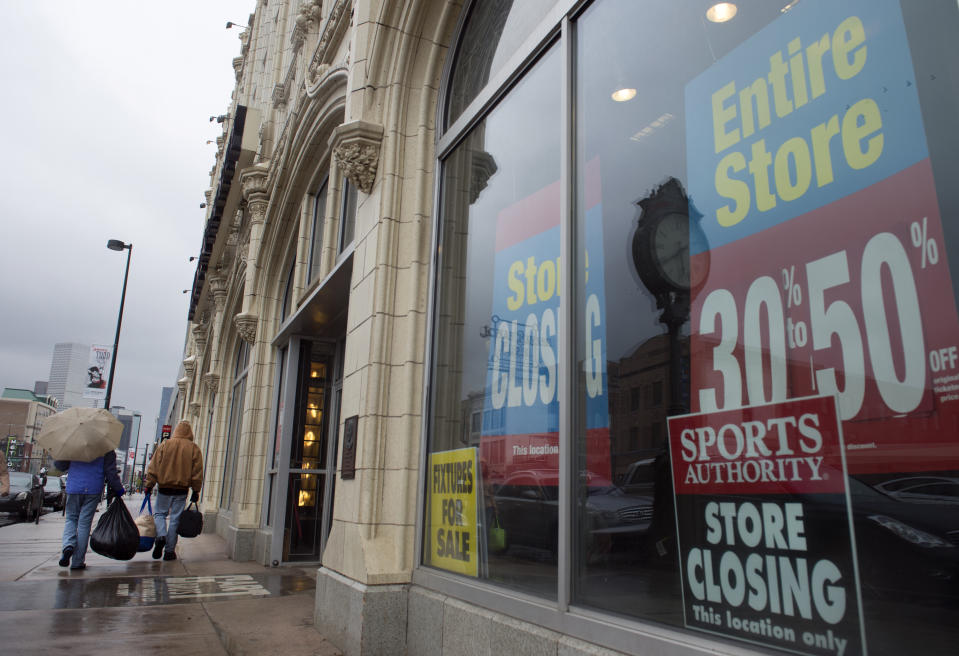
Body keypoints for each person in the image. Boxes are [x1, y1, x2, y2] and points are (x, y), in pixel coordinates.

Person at [53, 450, 124, 570]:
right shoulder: (106, 447)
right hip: (93, 488)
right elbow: (110, 472)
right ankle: (77, 562)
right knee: (84, 524)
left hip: (74, 487)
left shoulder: (75, 444)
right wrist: (119, 489)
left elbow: (60, 465)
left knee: (71, 519)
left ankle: (68, 546)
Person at [143, 420, 203, 561]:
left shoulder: (165, 445)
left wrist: (149, 484)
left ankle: (161, 535)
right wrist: (196, 490)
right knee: (175, 519)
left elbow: (153, 467)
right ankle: (169, 551)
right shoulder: (193, 448)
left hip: (164, 487)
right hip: (181, 490)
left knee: (160, 514)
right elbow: (197, 472)